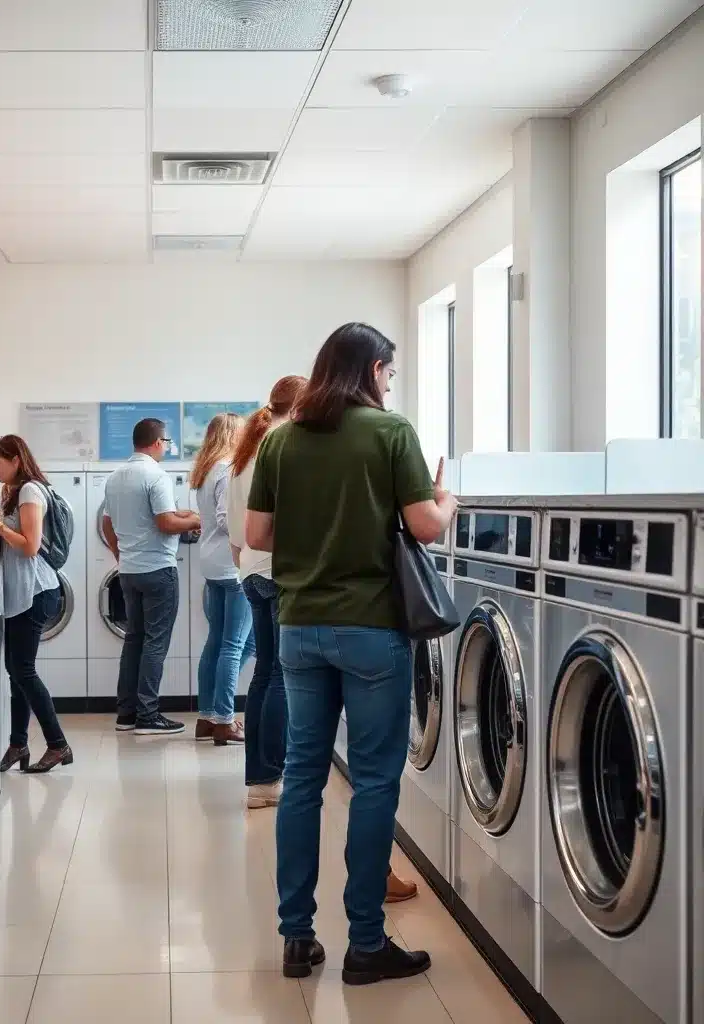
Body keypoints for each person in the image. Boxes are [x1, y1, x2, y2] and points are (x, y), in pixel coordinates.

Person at [245, 323, 457, 986]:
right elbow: (425, 525)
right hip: (370, 630)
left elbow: (257, 535)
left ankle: (296, 938)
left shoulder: (280, 441)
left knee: (303, 779)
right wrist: (449, 497)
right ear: (374, 370)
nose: (390, 384)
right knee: (372, 781)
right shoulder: (391, 433)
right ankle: (366, 943)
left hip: (300, 627)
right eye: (389, 373)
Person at [227, 376, 305, 805]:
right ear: (299, 408)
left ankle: (259, 777)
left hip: (251, 571)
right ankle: (270, 777)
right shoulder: (282, 448)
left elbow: (235, 531)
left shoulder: (244, 454)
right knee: (279, 674)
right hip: (277, 568)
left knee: (263, 674)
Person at [102, 418, 201, 736]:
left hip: (129, 571)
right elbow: (165, 524)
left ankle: (126, 714)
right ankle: (148, 715)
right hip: (158, 570)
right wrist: (197, 519)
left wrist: (121, 555)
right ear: (158, 442)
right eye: (167, 443)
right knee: (155, 643)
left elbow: (107, 525)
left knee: (133, 641)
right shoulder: (156, 476)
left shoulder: (115, 477)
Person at [0, 434, 73, 774]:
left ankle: (57, 744)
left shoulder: (30, 490)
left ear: (16, 460)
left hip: (36, 592)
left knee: (22, 670)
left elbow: (31, 545)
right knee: (16, 670)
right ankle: (18, 744)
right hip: (24, 592)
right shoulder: (14, 492)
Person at [189, 413, 254, 746]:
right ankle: (225, 720)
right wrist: (256, 532)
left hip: (212, 564)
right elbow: (226, 520)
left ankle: (207, 716)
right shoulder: (229, 469)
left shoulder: (206, 470)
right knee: (234, 644)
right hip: (232, 566)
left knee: (219, 641)